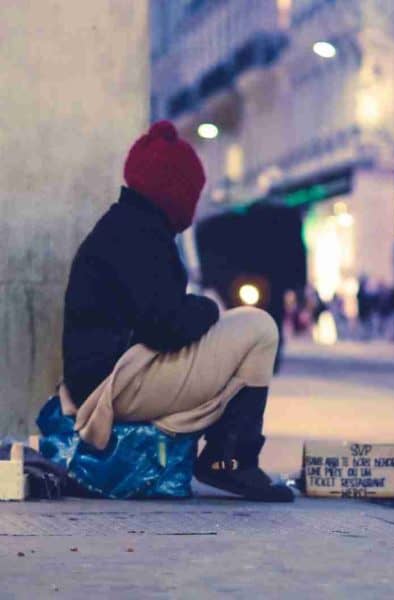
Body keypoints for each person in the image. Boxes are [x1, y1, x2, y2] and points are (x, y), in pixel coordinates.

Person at [61, 121, 293, 502]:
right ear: (174, 190)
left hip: (112, 376)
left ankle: (228, 455)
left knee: (244, 323)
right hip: (112, 387)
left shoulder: (128, 225)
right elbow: (165, 325)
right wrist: (207, 309)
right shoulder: (137, 235)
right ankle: (229, 460)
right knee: (260, 327)